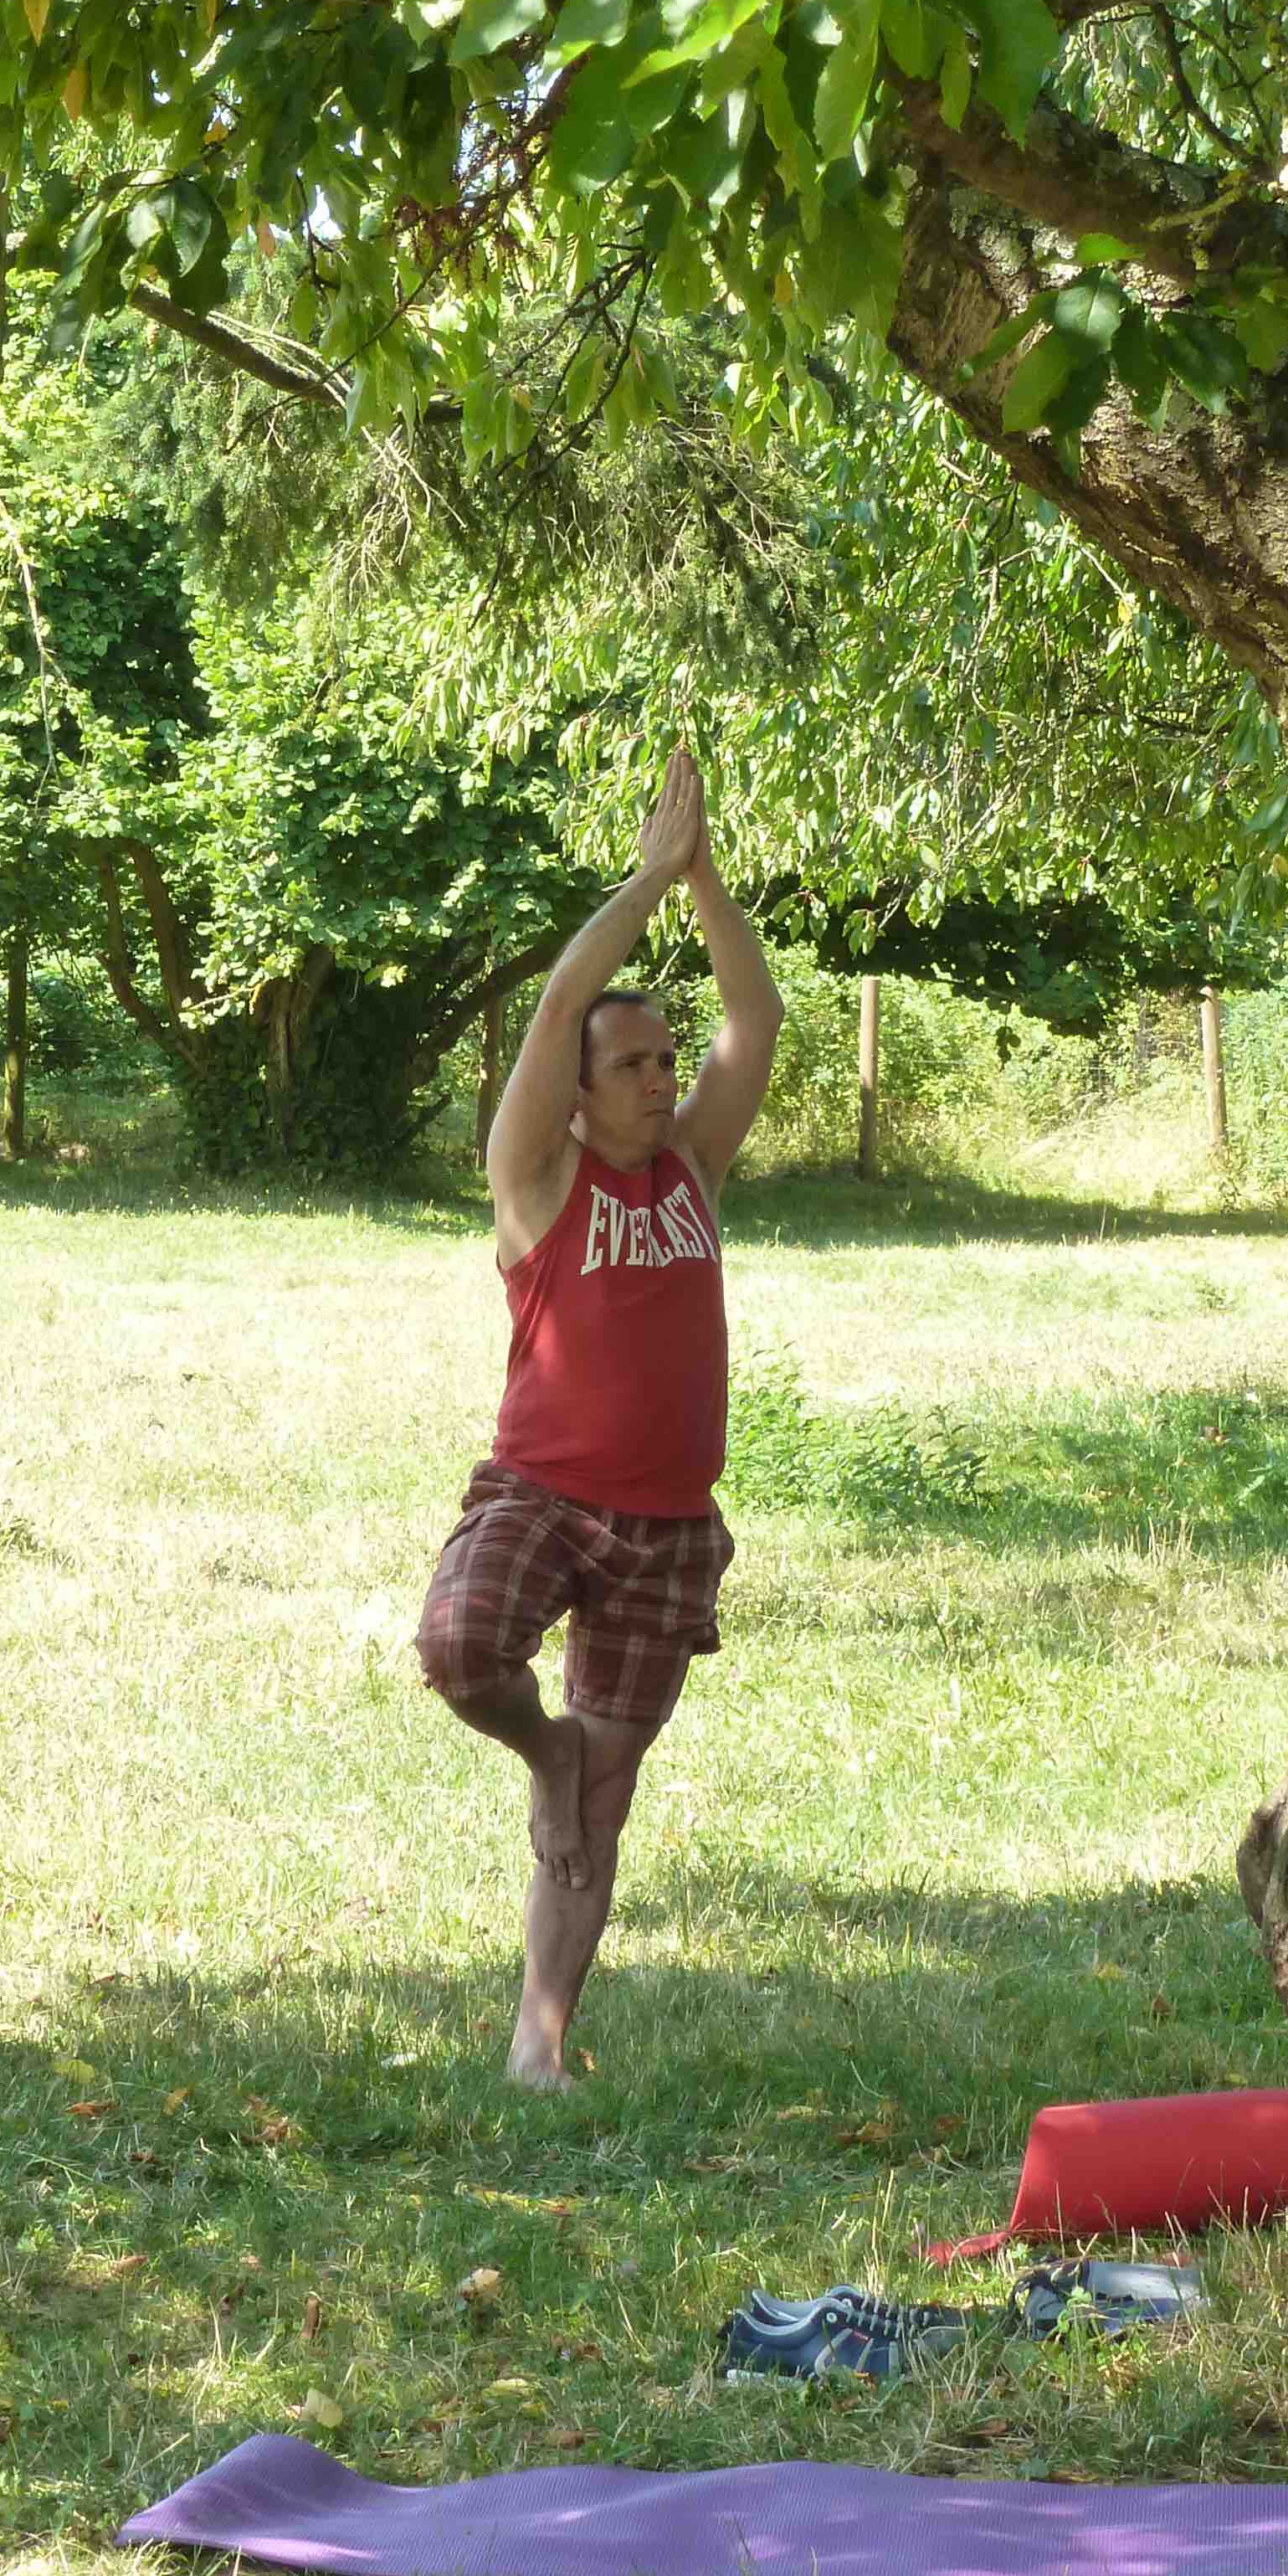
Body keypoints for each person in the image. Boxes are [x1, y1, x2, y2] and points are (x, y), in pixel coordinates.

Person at [416, 749, 781, 2090]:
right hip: (540, 1497)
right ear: (573, 1092)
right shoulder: (533, 1178)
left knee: (608, 1794)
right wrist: (640, 880)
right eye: (627, 1063)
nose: (653, 1075)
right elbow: (557, 1006)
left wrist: (704, 884)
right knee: (461, 1652)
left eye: (659, 1059)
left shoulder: (690, 1164)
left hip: (670, 1528)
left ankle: (540, 2044)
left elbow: (758, 1018)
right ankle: (541, 1750)